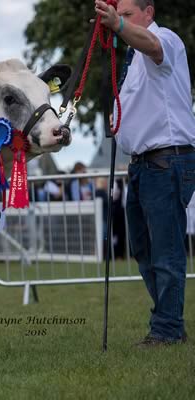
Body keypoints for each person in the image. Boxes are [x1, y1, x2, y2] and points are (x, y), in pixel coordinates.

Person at [96, 0, 195, 346]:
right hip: (142, 164)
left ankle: (167, 329)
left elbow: (152, 46)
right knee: (143, 248)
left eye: (126, 15)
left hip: (165, 161)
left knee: (165, 251)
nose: (119, 22)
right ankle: (169, 321)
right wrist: (120, 123)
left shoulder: (164, 38)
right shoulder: (131, 59)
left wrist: (118, 27)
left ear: (148, 12)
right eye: (117, 16)